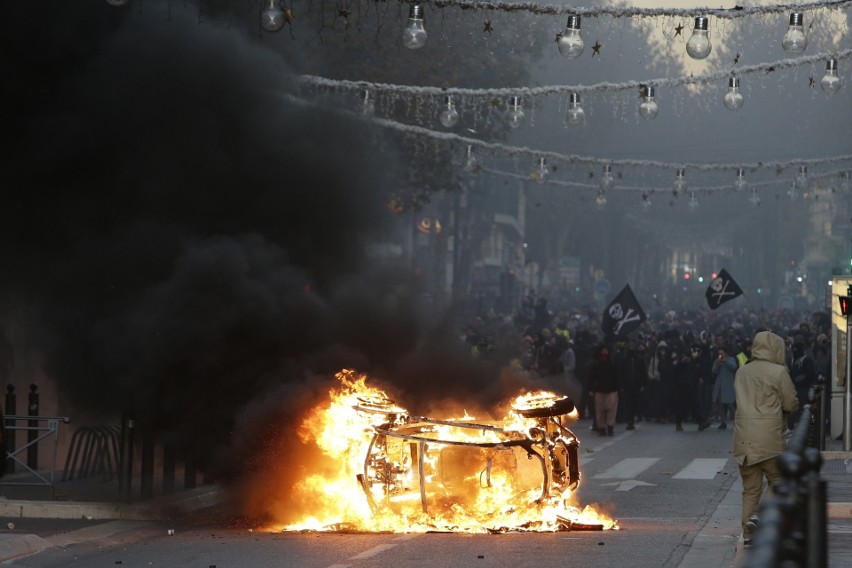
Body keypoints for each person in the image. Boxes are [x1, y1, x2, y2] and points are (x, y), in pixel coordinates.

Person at [733, 330, 799, 547]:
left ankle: (748, 533)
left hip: (744, 439)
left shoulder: (742, 372)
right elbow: (790, 404)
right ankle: (760, 515)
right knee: (778, 480)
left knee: (750, 489)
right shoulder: (778, 372)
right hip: (769, 438)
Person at [588, 344, 619, 436]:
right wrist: (591, 389)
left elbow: (616, 377)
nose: (604, 353)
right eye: (603, 351)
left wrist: (618, 388)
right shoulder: (596, 364)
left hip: (612, 390)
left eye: (606, 351)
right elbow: (592, 377)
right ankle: (601, 428)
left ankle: (610, 427)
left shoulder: (612, 363)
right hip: (599, 390)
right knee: (600, 410)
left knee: (611, 410)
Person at [711, 344, 737, 429]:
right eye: (720, 353)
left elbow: (734, 367)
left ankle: (736, 420)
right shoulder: (717, 361)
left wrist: (726, 361)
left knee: (730, 404)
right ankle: (723, 421)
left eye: (722, 353)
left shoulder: (731, 359)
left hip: (728, 384)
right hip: (719, 384)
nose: (721, 355)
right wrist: (717, 364)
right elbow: (713, 371)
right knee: (719, 404)